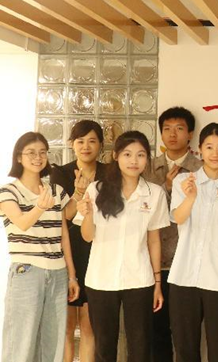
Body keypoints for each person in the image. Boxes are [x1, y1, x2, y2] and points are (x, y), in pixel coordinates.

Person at [74, 130, 170, 362]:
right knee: (104, 347)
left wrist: (157, 283)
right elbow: (87, 237)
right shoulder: (96, 189)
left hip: (139, 279)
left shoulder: (154, 193)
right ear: (116, 156)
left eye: (140, 155)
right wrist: (87, 214)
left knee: (140, 346)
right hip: (101, 279)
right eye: (127, 154)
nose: (134, 161)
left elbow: (154, 240)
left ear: (147, 159)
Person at [169, 122, 218, 361]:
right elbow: (178, 218)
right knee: (185, 349)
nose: (215, 153)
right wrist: (191, 197)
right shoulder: (184, 181)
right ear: (200, 149)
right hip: (183, 275)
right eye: (209, 147)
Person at [0, 132, 79, 362]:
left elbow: (64, 233)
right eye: (31, 153)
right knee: (21, 344)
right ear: (19, 157)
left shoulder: (55, 191)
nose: (38, 157)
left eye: (43, 152)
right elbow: (22, 223)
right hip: (27, 271)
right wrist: (40, 207)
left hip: (58, 272)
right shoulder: (8, 191)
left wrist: (71, 276)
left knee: (52, 345)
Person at [144, 106, 203, 361]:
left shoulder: (201, 168)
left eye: (179, 128)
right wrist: (165, 187)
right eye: (167, 129)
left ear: (190, 134)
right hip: (153, 263)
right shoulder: (146, 167)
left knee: (186, 334)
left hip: (187, 262)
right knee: (156, 332)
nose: (172, 134)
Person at [54, 120, 108, 362]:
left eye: (92, 141)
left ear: (101, 145)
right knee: (65, 328)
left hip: (98, 252)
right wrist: (77, 193)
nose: (86, 146)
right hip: (66, 252)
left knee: (89, 326)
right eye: (80, 141)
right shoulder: (61, 173)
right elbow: (62, 216)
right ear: (71, 144)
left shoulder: (110, 173)